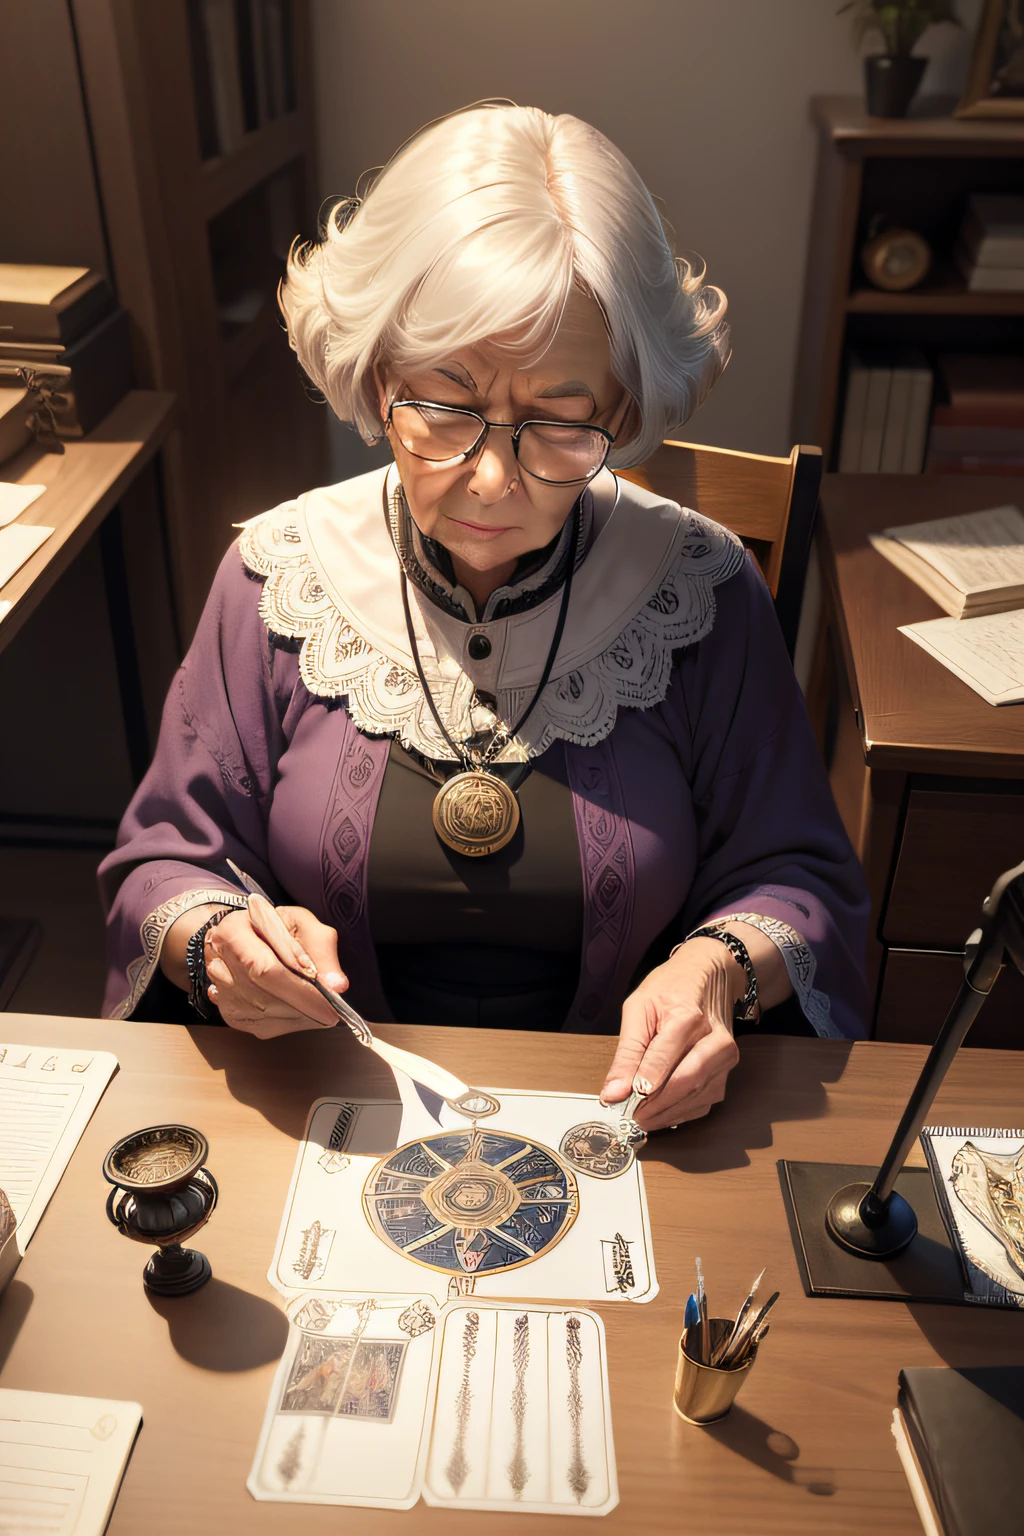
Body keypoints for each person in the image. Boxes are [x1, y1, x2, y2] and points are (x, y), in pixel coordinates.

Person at [99, 103, 869, 1133]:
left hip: (622, 1124)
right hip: (326, 1112)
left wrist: (716, 966)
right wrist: (214, 940)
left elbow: (797, 868)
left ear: (623, 409)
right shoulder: (276, 576)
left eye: (559, 422)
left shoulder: (700, 590)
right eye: (445, 407)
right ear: (377, 378)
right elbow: (167, 855)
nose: (493, 480)